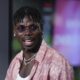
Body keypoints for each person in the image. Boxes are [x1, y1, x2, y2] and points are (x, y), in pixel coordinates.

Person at [5, 6, 74, 80]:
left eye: (33, 27)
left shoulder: (58, 63)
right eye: (21, 28)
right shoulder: (15, 62)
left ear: (42, 30)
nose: (27, 33)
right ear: (15, 32)